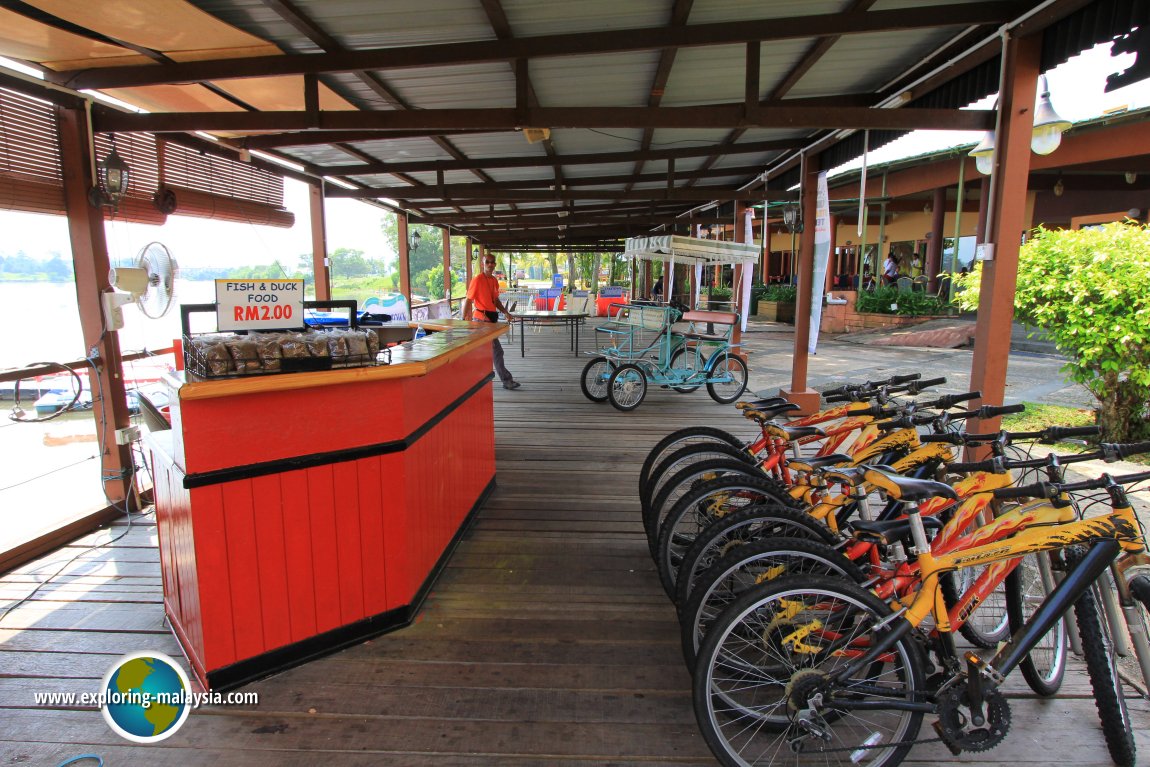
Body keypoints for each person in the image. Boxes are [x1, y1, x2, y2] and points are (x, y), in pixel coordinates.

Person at [462, 255, 521, 390]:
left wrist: (505, 312)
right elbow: (468, 300)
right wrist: (463, 319)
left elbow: (495, 300)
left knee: (485, 351)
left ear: (495, 264)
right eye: (487, 262)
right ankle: (506, 380)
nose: (490, 264)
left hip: (491, 320)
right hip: (481, 320)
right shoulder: (477, 280)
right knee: (497, 351)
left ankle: (473, 379)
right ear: (483, 264)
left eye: (492, 262)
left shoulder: (494, 281)